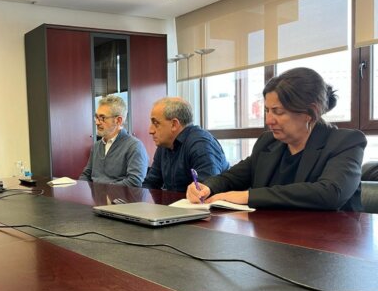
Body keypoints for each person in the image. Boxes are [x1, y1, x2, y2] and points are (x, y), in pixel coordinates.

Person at [186, 67, 367, 211]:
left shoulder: (346, 142)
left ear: (310, 112)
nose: (269, 120)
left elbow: (331, 193)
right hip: (273, 237)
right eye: (267, 111)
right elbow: (232, 177)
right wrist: (207, 187)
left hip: (330, 241)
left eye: (278, 112)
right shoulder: (268, 142)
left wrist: (248, 196)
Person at [142, 97, 229, 191]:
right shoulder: (165, 145)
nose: (150, 130)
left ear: (174, 124)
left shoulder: (200, 145)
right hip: (179, 200)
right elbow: (150, 184)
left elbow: (205, 192)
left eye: (156, 123)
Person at [79, 95, 148, 187]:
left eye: (102, 118)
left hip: (119, 196)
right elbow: (86, 175)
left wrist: (105, 192)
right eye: (96, 117)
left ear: (118, 120)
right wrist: (80, 189)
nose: (97, 122)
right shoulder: (96, 146)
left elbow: (134, 181)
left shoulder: (134, 146)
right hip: (96, 195)